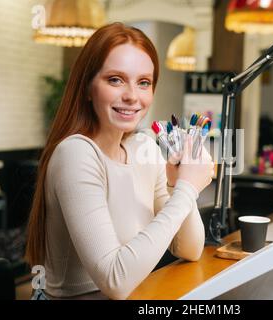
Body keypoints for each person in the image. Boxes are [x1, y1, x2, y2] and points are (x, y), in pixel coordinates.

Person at [25, 22, 214, 300]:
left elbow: (189, 249)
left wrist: (177, 185)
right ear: (88, 88)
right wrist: (188, 188)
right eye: (115, 79)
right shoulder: (75, 153)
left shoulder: (143, 147)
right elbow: (114, 280)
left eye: (144, 82)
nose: (132, 96)